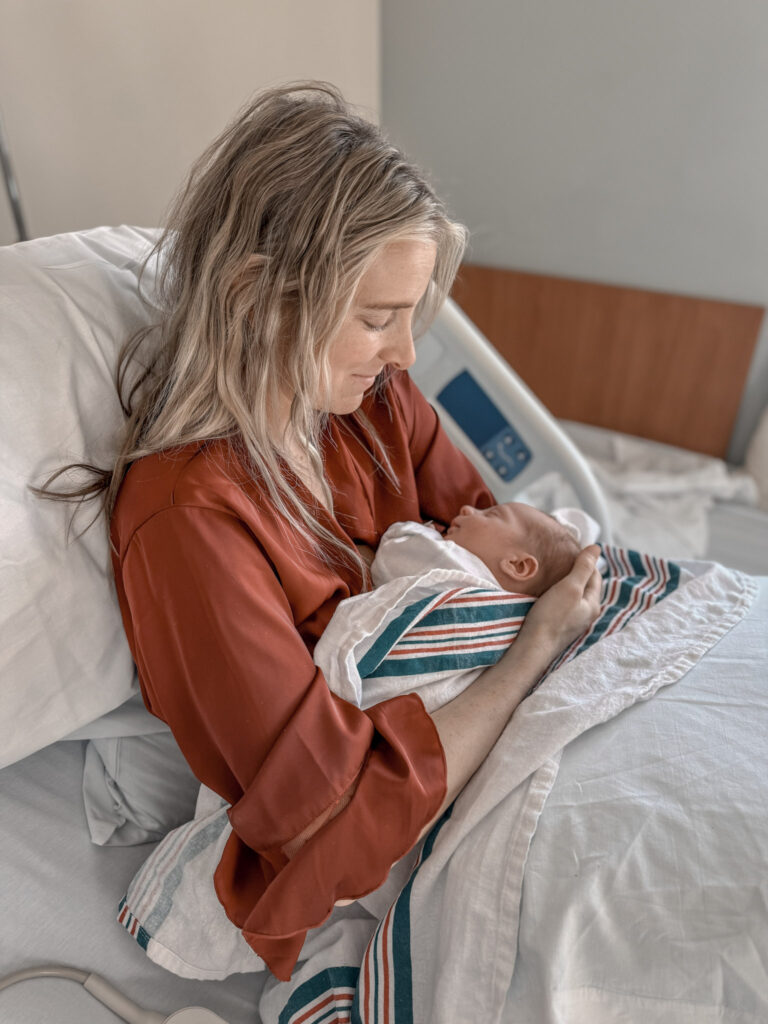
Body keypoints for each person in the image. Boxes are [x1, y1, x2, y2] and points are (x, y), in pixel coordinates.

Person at [58, 83, 602, 982]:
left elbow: (500, 571)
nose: (407, 354)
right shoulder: (189, 523)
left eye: (408, 315)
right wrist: (535, 648)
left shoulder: (370, 409)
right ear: (257, 296)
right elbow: (337, 819)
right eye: (378, 318)